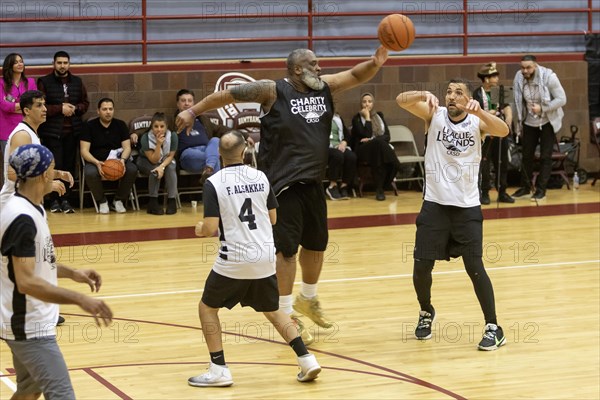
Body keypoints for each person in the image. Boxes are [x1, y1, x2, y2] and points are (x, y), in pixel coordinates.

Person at [176, 46, 389, 344]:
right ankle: (287, 313)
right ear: (298, 69)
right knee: (287, 251)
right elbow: (227, 96)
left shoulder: (324, 87)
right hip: (282, 183)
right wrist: (192, 110)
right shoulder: (272, 90)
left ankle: (309, 299)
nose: (319, 67)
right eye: (313, 64)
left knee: (317, 245)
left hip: (314, 181)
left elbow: (355, 74)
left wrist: (376, 62)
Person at [189, 130, 321, 387]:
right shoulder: (261, 177)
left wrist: (199, 228)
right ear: (244, 152)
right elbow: (272, 218)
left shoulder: (214, 182)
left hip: (234, 260)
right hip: (264, 257)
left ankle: (218, 369)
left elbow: (211, 227)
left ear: (220, 154)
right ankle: (307, 359)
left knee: (207, 308)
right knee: (274, 311)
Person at [396, 78, 509, 351]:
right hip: (434, 205)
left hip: (467, 207)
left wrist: (480, 111)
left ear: (468, 98)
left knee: (475, 268)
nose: (452, 96)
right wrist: (423, 91)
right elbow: (401, 100)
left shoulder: (476, 122)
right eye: (449, 91)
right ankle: (426, 311)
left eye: (459, 93)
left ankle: (494, 326)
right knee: (421, 266)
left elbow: (503, 131)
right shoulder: (434, 115)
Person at [0, 143, 113, 399]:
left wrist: (73, 273)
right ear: (42, 175)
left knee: (29, 391)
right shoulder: (21, 218)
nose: (55, 173)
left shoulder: (32, 207)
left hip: (25, 321)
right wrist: (80, 299)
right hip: (29, 327)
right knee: (62, 394)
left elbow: (38, 262)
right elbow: (27, 281)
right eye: (52, 169)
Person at [1, 90, 73, 210]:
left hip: (26, 202)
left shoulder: (32, 133)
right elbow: (12, 174)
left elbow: (32, 171)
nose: (44, 109)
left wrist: (57, 174)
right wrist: (48, 184)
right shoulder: (22, 135)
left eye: (44, 104)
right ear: (27, 111)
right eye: (39, 105)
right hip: (13, 204)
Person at [38, 51, 90, 214]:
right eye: (59, 62)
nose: (62, 66)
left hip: (73, 132)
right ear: (54, 63)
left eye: (65, 62)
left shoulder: (77, 81)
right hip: (52, 132)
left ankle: (66, 199)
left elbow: (85, 103)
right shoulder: (45, 81)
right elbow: (41, 105)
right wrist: (61, 108)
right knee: (54, 166)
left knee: (69, 167)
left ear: (69, 64)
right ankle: (53, 199)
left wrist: (76, 109)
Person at [512, 55, 567, 201]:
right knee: (526, 155)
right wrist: (516, 121)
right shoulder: (519, 77)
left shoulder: (549, 77)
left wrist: (542, 108)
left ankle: (541, 190)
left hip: (547, 121)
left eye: (528, 67)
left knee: (545, 157)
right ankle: (525, 187)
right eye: (522, 67)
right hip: (529, 121)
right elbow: (517, 100)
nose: (525, 70)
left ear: (535, 66)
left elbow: (562, 99)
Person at [80, 98, 138, 214]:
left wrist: (122, 160)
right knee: (90, 173)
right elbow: (84, 151)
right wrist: (96, 162)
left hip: (117, 160)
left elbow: (127, 147)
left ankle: (118, 200)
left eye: (110, 109)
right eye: (104, 109)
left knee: (132, 169)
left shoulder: (120, 125)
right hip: (96, 161)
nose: (108, 112)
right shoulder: (89, 126)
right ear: (98, 111)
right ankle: (102, 201)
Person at [473, 62, 515, 204]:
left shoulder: (501, 90)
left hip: (499, 133)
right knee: (484, 162)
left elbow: (507, 106)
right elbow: (475, 113)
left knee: (501, 162)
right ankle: (485, 192)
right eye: (493, 76)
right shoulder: (477, 93)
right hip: (485, 133)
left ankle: (502, 191)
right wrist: (488, 114)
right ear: (486, 79)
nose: (497, 78)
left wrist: (508, 117)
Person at [351, 92, 401, 201]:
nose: (367, 104)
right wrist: (367, 117)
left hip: (378, 150)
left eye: (369, 101)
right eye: (364, 102)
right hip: (362, 150)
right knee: (378, 144)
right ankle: (395, 165)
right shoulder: (357, 119)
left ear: (373, 103)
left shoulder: (379, 116)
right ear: (361, 104)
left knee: (378, 148)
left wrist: (373, 139)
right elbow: (366, 134)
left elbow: (387, 136)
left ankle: (380, 188)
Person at [175, 89, 227, 182]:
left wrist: (245, 135)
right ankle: (216, 190)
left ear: (194, 104)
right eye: (183, 101)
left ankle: (209, 168)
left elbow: (220, 129)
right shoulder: (173, 121)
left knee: (215, 140)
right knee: (215, 159)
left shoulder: (202, 119)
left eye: (190, 101)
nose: (187, 104)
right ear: (178, 104)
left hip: (206, 149)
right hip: (188, 154)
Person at [136, 112, 178, 215]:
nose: (159, 129)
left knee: (171, 166)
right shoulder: (145, 137)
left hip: (165, 160)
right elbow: (153, 160)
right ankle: (153, 202)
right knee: (154, 169)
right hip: (145, 161)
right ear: (152, 126)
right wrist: (158, 144)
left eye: (162, 126)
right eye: (156, 126)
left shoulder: (173, 136)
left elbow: (170, 156)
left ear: (167, 126)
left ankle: (172, 201)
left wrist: (162, 167)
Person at [1, 53, 37, 156]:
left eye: (21, 61)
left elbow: (35, 104)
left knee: (27, 163)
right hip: (7, 129)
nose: (20, 64)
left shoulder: (30, 82)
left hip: (26, 127)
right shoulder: (1, 83)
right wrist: (24, 106)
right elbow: (4, 106)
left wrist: (14, 105)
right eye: (16, 62)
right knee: (9, 164)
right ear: (9, 65)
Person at [325, 111, 356, 200]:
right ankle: (332, 186)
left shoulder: (338, 118)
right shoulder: (315, 117)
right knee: (337, 155)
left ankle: (344, 186)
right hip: (324, 147)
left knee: (351, 157)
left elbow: (347, 136)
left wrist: (344, 142)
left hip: (338, 145)